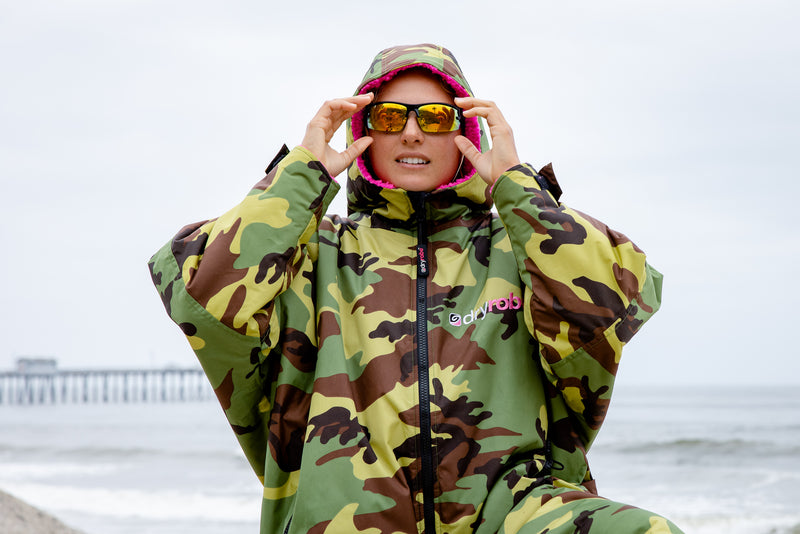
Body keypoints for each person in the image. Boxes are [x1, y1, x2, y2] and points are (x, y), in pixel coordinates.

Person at [148, 43, 681, 533]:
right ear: (364, 134)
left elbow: (611, 302)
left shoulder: (514, 246)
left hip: (510, 514)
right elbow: (200, 292)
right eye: (387, 117)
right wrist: (301, 174)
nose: (411, 133)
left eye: (434, 117)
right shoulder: (314, 254)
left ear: (467, 133)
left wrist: (518, 187)